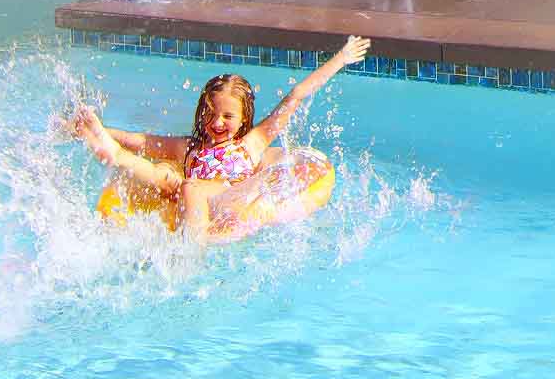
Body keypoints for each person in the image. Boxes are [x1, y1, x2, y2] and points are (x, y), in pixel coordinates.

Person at [69, 35, 370, 240]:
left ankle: (190, 253)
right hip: (188, 196)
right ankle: (108, 150)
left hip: (229, 198)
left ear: (243, 118)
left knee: (191, 187)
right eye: (211, 114)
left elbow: (295, 97)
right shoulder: (190, 148)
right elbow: (144, 141)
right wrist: (105, 131)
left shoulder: (250, 143)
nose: (217, 122)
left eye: (227, 117)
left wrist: (341, 58)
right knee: (164, 174)